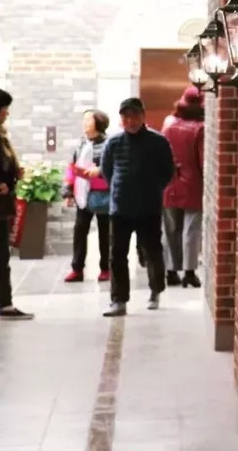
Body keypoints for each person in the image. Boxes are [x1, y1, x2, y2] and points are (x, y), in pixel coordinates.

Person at [100, 97, 174, 317]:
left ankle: (156, 290)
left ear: (143, 116)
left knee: (152, 251)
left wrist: (153, 189)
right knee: (117, 255)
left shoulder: (158, 142)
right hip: (120, 208)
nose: (130, 121)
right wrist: (119, 189)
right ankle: (118, 300)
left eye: (134, 116)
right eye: (126, 117)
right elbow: (107, 172)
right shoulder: (113, 143)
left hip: (148, 207)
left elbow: (167, 172)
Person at [161, 87, 205, 288]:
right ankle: (189, 272)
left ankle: (171, 271)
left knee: (170, 228)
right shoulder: (200, 129)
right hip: (193, 183)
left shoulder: (168, 123)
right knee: (191, 228)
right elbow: (203, 161)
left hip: (169, 181)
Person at [64, 109, 111, 283]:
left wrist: (98, 171)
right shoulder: (80, 144)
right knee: (80, 231)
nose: (84, 123)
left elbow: (113, 166)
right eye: (83, 119)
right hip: (82, 193)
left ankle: (106, 268)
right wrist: (68, 191)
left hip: (102, 194)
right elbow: (71, 168)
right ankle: (77, 269)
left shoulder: (109, 143)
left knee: (105, 233)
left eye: (88, 120)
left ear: (99, 122)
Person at [0, 88, 33, 320]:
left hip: (2, 206)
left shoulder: (1, 136)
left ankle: (6, 303)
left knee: (2, 256)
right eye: (4, 109)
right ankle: (6, 304)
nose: (6, 113)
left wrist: (13, 175)